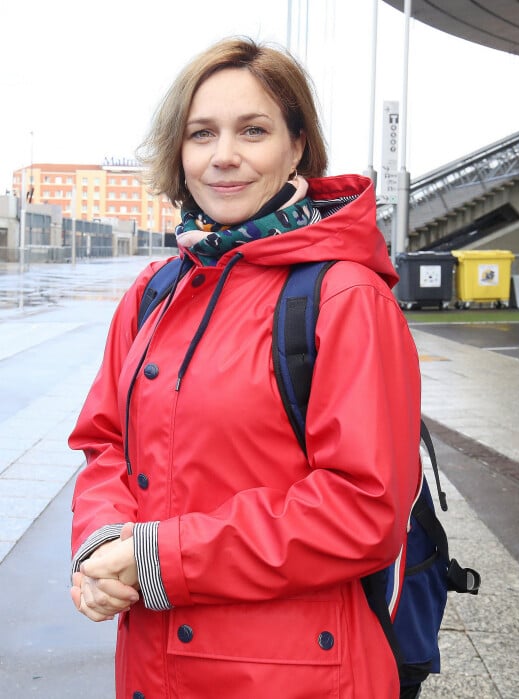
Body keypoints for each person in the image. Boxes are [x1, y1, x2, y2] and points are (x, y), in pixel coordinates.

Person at [69, 36, 422, 699]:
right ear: (180, 152)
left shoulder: (344, 297)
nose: (223, 155)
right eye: (201, 133)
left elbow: (365, 509)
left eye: (252, 130)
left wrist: (157, 556)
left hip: (295, 678)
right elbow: (102, 444)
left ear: (297, 147)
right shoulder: (153, 292)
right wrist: (102, 541)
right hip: (152, 664)